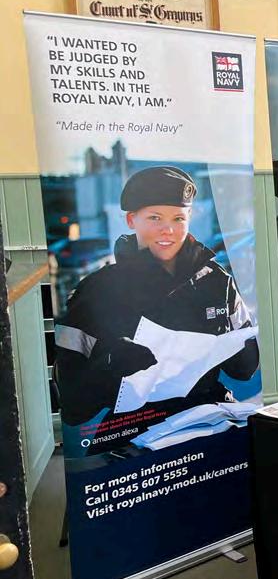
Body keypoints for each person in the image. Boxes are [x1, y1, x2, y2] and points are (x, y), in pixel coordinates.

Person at [54, 166, 259, 453]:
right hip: (134, 434)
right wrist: (109, 366)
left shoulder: (217, 281)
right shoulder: (96, 291)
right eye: (155, 218)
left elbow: (244, 371)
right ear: (131, 220)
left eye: (178, 218)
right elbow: (73, 409)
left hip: (207, 419)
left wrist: (235, 345)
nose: (168, 229)